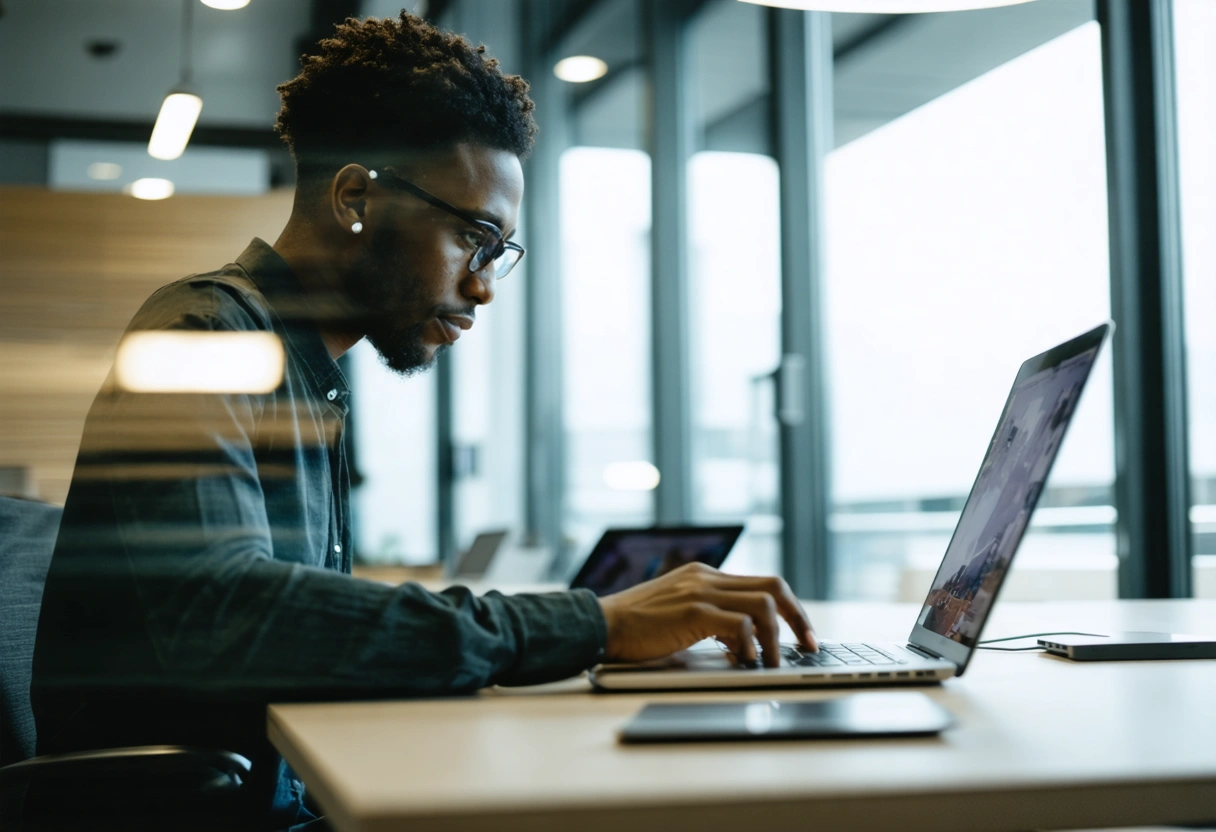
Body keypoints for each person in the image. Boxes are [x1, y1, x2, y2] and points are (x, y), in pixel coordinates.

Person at [31, 12, 816, 829]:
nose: (484, 287)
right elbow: (226, 617)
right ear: (356, 198)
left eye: (500, 253)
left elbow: (281, 623)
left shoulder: (307, 379)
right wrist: (589, 624)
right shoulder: (203, 335)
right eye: (474, 237)